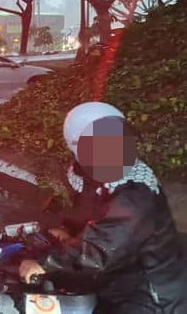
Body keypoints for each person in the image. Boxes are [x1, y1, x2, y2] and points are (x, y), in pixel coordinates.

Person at [18, 102, 187, 313]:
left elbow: (101, 248)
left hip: (150, 290)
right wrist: (68, 229)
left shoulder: (134, 191)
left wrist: (45, 263)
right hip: (119, 277)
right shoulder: (92, 174)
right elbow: (87, 211)